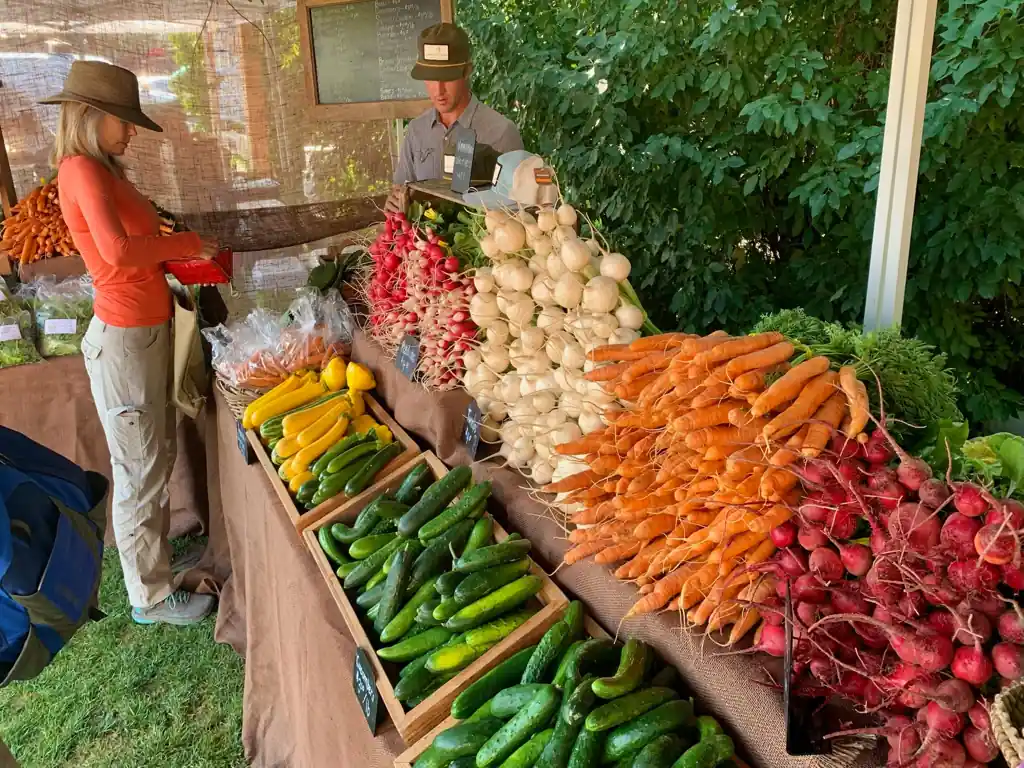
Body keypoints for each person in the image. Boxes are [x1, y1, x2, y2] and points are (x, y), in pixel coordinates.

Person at [40, 60, 218, 626]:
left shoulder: (105, 169)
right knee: (139, 466)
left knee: (155, 457)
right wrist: (188, 243)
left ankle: (159, 569)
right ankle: (149, 596)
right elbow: (116, 253)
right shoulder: (80, 171)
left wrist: (174, 249)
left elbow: (133, 242)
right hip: (123, 340)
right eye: (122, 120)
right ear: (90, 116)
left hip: (144, 332)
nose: (131, 131)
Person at [386, 23, 523, 212]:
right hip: (422, 240)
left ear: (467, 71)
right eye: (431, 78)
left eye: (447, 78)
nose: (438, 90)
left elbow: (519, 212)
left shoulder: (500, 134)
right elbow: (400, 190)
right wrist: (396, 203)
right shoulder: (417, 131)